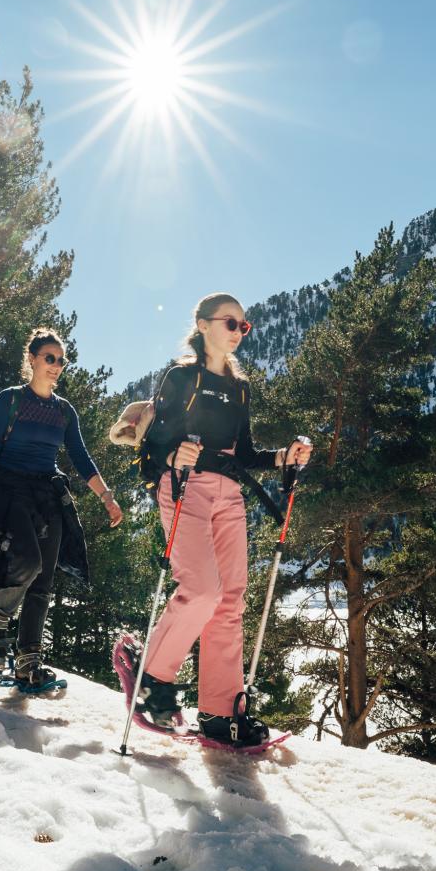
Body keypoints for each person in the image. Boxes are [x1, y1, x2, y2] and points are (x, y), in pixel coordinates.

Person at [139, 293, 312, 745]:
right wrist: (174, 453)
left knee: (230, 601)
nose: (238, 332)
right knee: (201, 589)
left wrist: (283, 457)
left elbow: (248, 452)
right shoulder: (181, 377)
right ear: (202, 325)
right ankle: (151, 677)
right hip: (185, 488)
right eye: (230, 323)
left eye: (244, 326)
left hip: (229, 495)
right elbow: (151, 445)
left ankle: (218, 711)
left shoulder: (239, 387)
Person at [0, 327, 122, 687]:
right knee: (28, 562)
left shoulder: (64, 411)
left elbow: (80, 457)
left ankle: (27, 665)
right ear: (31, 359)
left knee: (44, 583)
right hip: (10, 488)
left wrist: (106, 496)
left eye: (62, 360)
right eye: (50, 358)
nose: (57, 365)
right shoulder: (11, 399)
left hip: (48, 494)